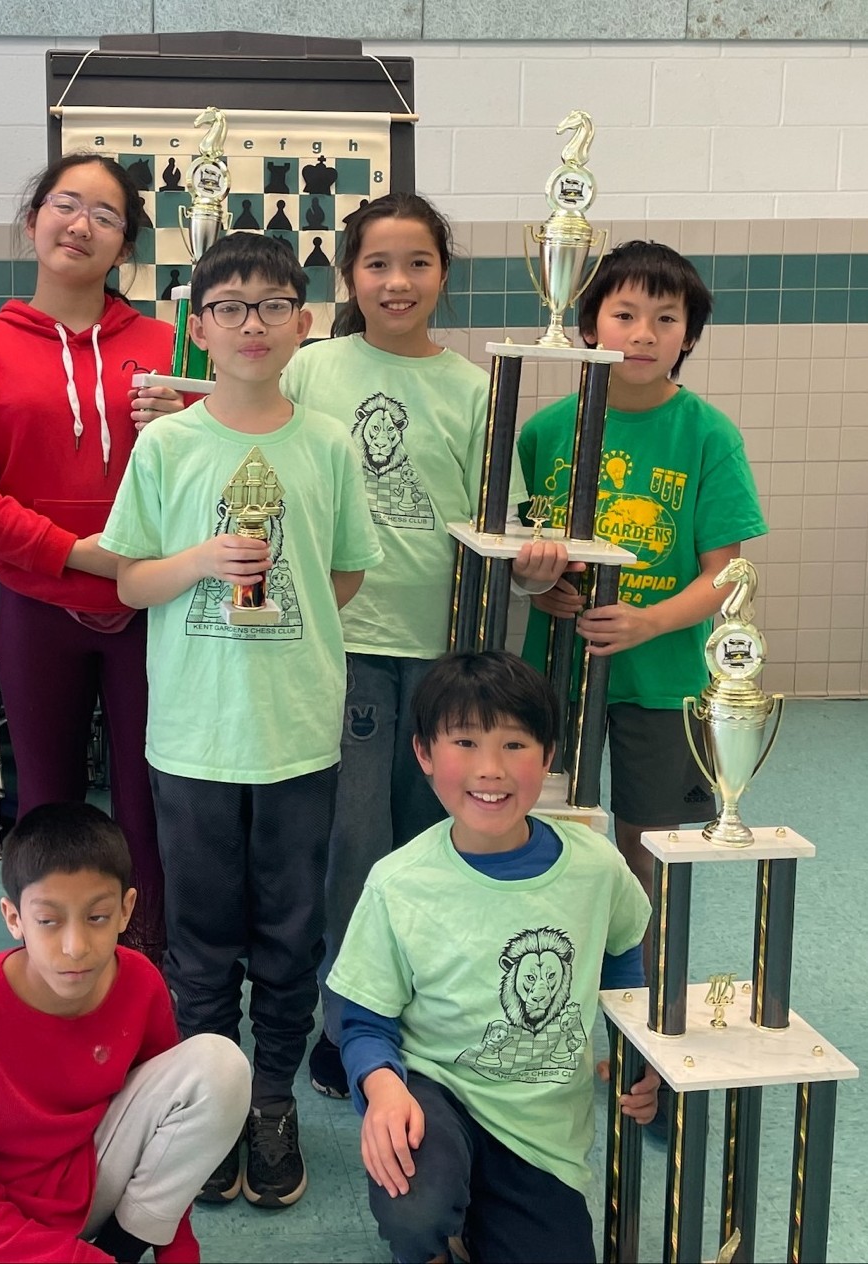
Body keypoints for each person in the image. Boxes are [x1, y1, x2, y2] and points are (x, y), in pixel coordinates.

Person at [101, 233, 383, 1209]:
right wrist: (201, 565)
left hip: (297, 733)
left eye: (271, 306)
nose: (251, 323)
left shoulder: (329, 444)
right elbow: (130, 580)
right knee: (202, 937)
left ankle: (270, 1099)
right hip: (194, 737)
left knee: (291, 932)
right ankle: (213, 1101)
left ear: (303, 325)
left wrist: (281, 624)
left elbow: (343, 573)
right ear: (200, 327)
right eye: (229, 307)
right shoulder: (168, 445)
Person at [282, 193, 562, 1102]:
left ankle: (430, 1010)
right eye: (377, 264)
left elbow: (504, 528)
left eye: (417, 263)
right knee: (355, 845)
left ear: (444, 274)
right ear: (348, 277)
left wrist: (537, 566)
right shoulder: (310, 369)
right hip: (344, 646)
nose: (396, 282)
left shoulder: (476, 390)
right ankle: (346, 1022)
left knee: (436, 839)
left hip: (450, 655)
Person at [0, 154, 180, 963]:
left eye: (105, 215)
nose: (80, 225)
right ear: (34, 219)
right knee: (46, 799)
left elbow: (213, 471)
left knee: (149, 797)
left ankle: (145, 963)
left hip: (152, 608)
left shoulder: (170, 346)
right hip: (36, 605)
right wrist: (74, 553)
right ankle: (53, 958)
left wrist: (184, 426)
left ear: (125, 245)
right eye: (65, 205)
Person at [329, 651, 660, 1263]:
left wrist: (640, 1057)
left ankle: (474, 1222)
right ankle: (431, 1240)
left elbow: (623, 959)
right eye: (465, 742)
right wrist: (383, 1088)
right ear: (424, 753)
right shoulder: (398, 882)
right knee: (416, 1203)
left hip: (541, 1136)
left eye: (514, 744)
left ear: (548, 755)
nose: (491, 768)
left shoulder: (596, 867)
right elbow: (363, 1020)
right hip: (435, 1090)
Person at [518, 241, 767, 905]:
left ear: (689, 335)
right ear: (588, 323)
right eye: (624, 315)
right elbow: (515, 552)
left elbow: (725, 576)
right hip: (557, 675)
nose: (644, 334)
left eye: (666, 318)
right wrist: (537, 588)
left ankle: (641, 966)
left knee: (647, 846)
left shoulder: (709, 435)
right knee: (550, 832)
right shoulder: (544, 433)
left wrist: (647, 622)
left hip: (663, 681)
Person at [0, 803, 249, 1263]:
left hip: (89, 1182)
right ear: (14, 918)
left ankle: (122, 1247)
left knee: (221, 1067)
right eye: (48, 921)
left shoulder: (141, 983)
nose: (75, 947)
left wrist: (177, 1250)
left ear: (126, 910)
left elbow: (166, 1131)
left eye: (97, 917)